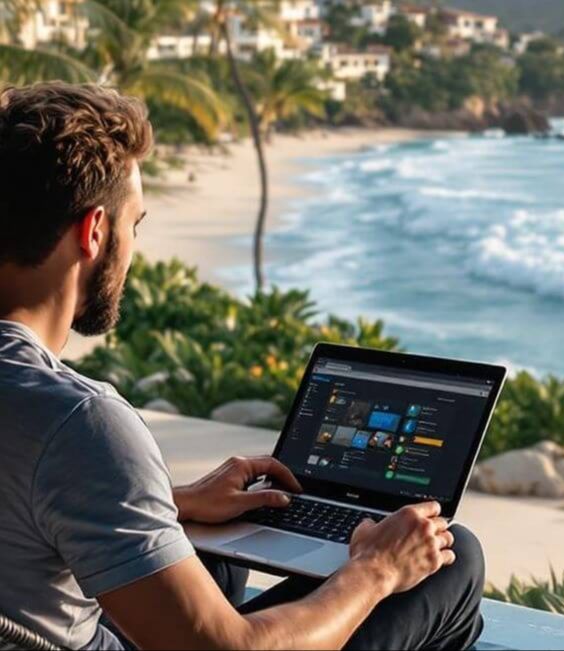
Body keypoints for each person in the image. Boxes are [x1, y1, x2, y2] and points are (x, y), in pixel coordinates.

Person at [0, 82, 485, 650]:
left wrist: (169, 502)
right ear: (95, 232)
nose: (133, 244)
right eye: (135, 224)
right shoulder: (77, 420)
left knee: (215, 558)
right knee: (451, 557)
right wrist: (376, 570)